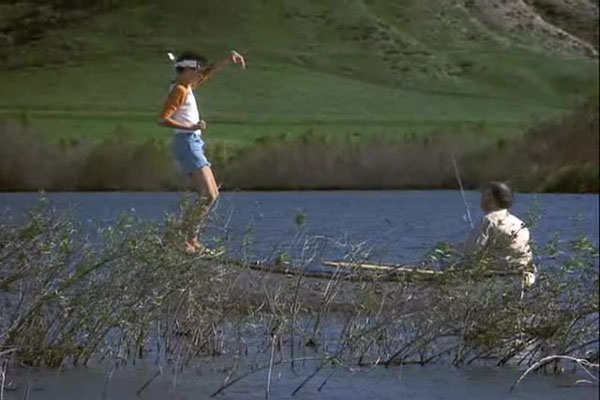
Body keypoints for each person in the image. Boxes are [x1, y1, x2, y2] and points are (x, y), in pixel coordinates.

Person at [157, 49, 246, 253]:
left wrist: (227, 58)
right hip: (187, 142)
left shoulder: (187, 86)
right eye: (196, 71)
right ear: (187, 70)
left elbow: (207, 72)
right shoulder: (179, 90)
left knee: (212, 194)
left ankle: (189, 239)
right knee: (208, 195)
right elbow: (162, 119)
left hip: (193, 143)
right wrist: (191, 127)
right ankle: (184, 239)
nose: (199, 74)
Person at [463, 181, 537, 288]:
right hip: (522, 275)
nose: (481, 199)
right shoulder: (520, 223)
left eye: (484, 195)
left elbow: (470, 251)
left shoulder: (489, 220)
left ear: (491, 198)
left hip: (497, 276)